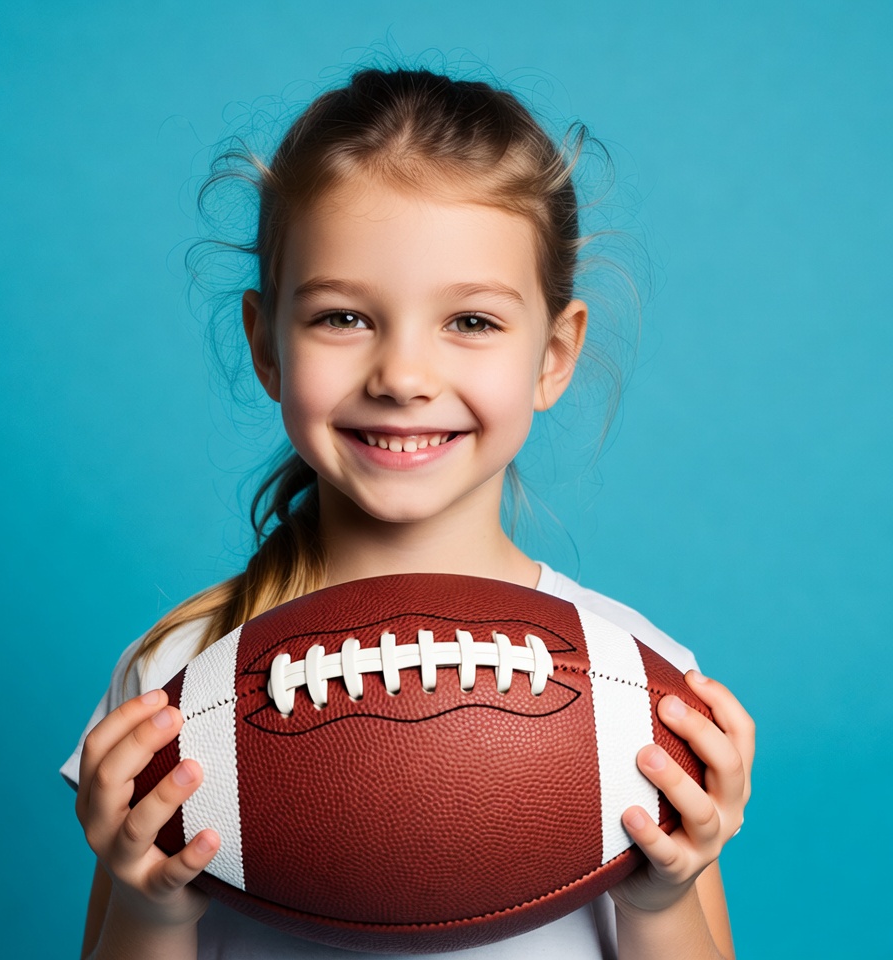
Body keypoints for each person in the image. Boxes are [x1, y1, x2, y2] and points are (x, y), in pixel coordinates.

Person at [62, 66, 754, 960]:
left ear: (555, 354)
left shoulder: (637, 689)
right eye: (343, 317)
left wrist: (661, 899)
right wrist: (151, 912)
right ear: (265, 345)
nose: (402, 376)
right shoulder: (178, 680)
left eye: (471, 322)